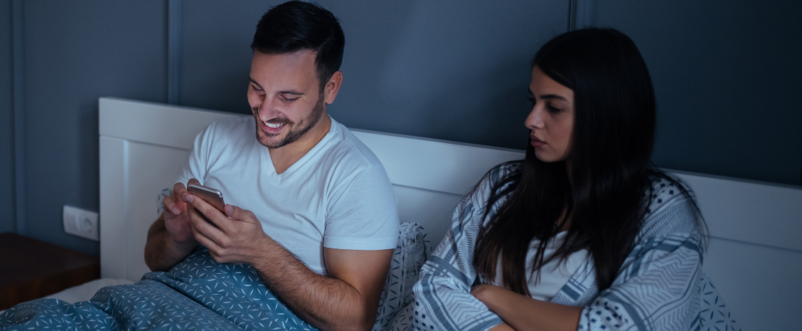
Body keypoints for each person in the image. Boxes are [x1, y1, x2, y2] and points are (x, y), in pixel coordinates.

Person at [404, 28, 734, 331]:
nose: (531, 120)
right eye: (534, 102)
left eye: (555, 108)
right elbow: (432, 291)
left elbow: (628, 325)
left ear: (606, 113)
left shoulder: (661, 209)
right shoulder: (502, 187)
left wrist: (492, 295)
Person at [144, 1, 399, 330]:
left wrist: (260, 252)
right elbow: (153, 258)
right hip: (163, 302)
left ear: (330, 88)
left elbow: (356, 320)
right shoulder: (215, 139)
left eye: (288, 97)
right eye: (257, 88)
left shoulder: (356, 176)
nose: (264, 113)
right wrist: (178, 239)